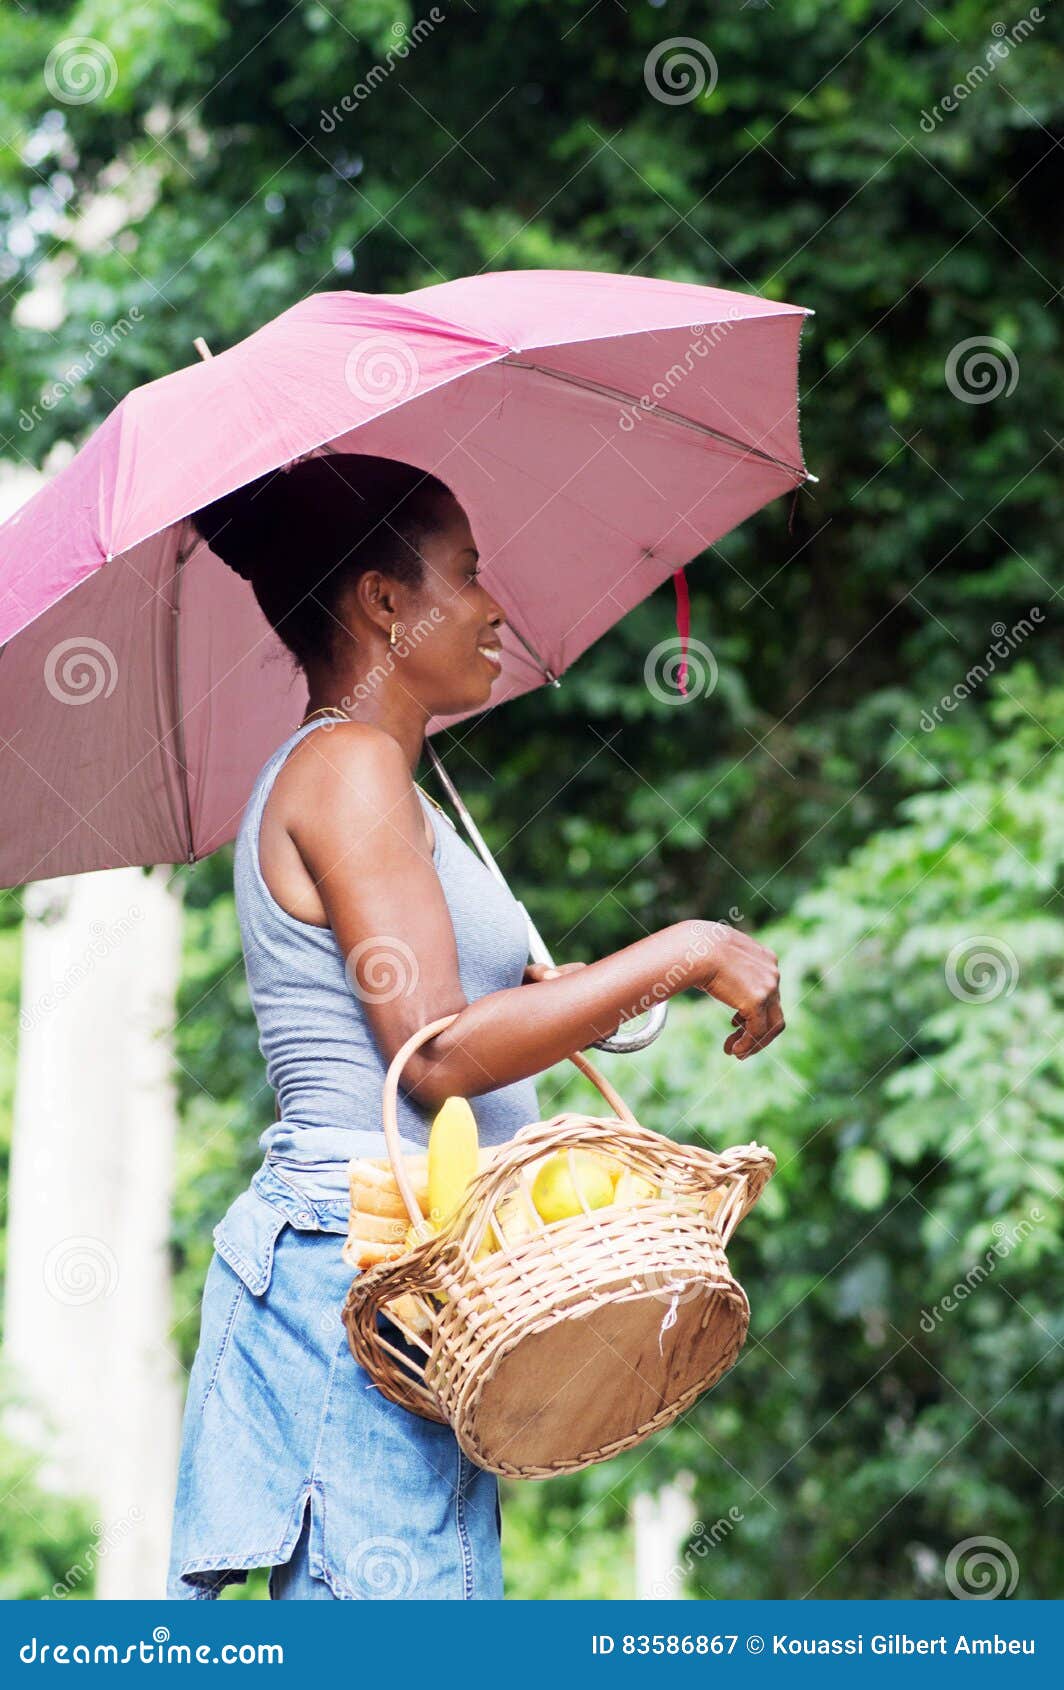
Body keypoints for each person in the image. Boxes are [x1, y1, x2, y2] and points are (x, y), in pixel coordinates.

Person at [165, 452, 784, 1600]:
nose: (495, 605)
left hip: (403, 1271)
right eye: (466, 572)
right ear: (383, 603)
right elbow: (436, 1054)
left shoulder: (388, 777)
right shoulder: (348, 768)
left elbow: (458, 1017)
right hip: (356, 1262)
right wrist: (686, 947)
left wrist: (607, 985)